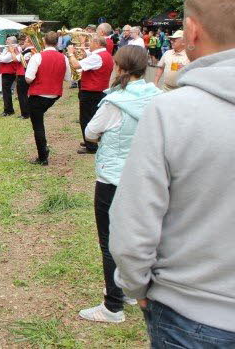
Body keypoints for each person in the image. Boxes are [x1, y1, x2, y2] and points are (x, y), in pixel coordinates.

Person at [110, 0, 235, 346]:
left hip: (193, 312)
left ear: (192, 30)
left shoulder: (171, 112)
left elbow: (134, 222)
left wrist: (135, 285)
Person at [78, 46, 161, 324]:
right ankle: (129, 288)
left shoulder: (115, 102)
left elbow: (90, 132)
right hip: (146, 177)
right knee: (139, 235)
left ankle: (112, 305)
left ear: (121, 68)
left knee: (110, 241)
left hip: (113, 179)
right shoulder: (157, 97)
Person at [25, 31, 72, 165]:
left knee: (38, 126)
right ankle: (43, 152)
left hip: (38, 94)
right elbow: (68, 78)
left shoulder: (37, 56)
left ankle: (42, 156)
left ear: (44, 42)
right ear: (58, 42)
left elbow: (28, 79)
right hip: (54, 95)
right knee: (39, 121)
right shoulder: (64, 58)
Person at [67, 35, 115, 154]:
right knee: (94, 117)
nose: (89, 45)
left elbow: (76, 65)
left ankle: (91, 146)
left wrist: (70, 53)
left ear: (97, 43)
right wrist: (83, 45)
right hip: (100, 90)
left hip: (91, 91)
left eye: (90, 42)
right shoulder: (105, 55)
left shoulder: (97, 57)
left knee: (86, 118)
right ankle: (91, 139)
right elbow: (88, 55)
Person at [0, 36, 24, 116]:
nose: (6, 42)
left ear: (12, 42)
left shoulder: (13, 48)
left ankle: (8, 110)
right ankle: (9, 109)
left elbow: (5, 59)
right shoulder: (10, 48)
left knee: (6, 91)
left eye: (7, 41)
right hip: (9, 71)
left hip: (9, 72)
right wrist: (0, 54)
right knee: (6, 91)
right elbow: (1, 58)